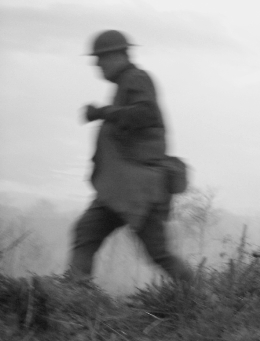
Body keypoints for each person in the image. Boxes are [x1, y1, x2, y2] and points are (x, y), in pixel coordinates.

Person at [68, 30, 191, 284]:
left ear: (119, 56)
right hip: (118, 188)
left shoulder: (137, 79)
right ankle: (72, 296)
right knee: (86, 233)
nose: (98, 65)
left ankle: (199, 300)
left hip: (140, 191)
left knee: (160, 254)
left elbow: (146, 114)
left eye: (101, 59)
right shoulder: (126, 84)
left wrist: (103, 112)